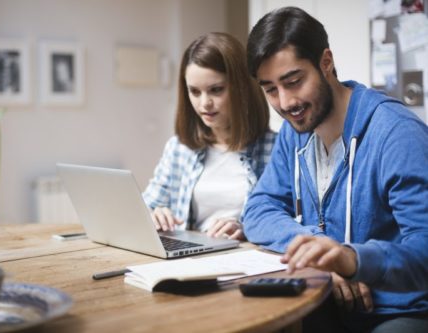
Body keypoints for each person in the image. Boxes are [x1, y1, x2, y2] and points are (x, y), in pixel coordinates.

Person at [244, 6, 428, 333]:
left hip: (402, 310)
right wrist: (316, 246)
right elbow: (258, 209)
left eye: (294, 81)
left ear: (326, 62)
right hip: (327, 299)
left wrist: (352, 260)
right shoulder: (295, 133)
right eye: (271, 89)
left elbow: (424, 250)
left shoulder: (397, 135)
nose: (285, 103)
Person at [143, 32, 275, 240]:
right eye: (194, 92)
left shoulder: (275, 149)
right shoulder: (179, 148)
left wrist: (246, 230)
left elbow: (289, 219)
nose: (204, 103)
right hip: (190, 260)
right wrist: (154, 214)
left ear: (242, 88)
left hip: (246, 261)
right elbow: (147, 205)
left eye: (216, 90)